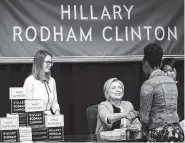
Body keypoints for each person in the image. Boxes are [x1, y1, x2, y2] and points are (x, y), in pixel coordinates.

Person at [139, 43, 184, 142]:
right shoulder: (172, 82)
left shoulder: (148, 84)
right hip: (177, 132)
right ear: (160, 64)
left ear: (146, 64)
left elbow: (144, 118)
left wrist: (145, 131)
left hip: (159, 134)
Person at [23, 50, 60, 115]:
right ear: (39, 63)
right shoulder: (30, 81)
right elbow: (27, 105)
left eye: (51, 62)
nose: (50, 65)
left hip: (49, 120)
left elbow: (54, 102)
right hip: (35, 119)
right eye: (47, 62)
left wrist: (57, 113)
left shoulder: (52, 80)